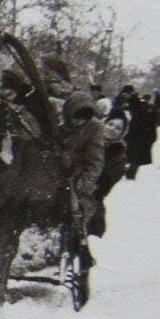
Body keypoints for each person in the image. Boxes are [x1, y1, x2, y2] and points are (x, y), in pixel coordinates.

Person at [58, 91, 106, 230]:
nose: (79, 122)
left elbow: (95, 161)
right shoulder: (55, 118)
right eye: (76, 118)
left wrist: (82, 186)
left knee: (75, 216)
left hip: (74, 176)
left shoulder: (94, 127)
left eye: (83, 119)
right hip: (51, 170)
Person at [89, 109, 129, 238]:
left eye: (118, 128)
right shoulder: (88, 139)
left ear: (122, 133)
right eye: (110, 124)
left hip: (91, 196)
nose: (112, 129)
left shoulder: (118, 155)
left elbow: (106, 184)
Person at [124, 88, 159, 179]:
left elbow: (137, 124)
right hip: (144, 137)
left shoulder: (138, 109)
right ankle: (130, 175)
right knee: (136, 158)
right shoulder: (142, 107)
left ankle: (129, 176)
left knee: (135, 157)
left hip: (140, 137)